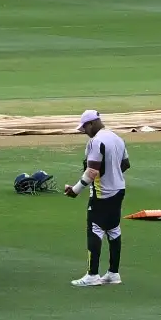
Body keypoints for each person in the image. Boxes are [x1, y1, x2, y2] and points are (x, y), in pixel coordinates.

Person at [66, 110, 129, 287]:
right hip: (119, 190)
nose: (84, 132)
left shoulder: (96, 141)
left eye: (85, 128)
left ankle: (92, 275)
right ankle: (113, 273)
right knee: (114, 230)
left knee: (95, 228)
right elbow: (125, 164)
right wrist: (111, 174)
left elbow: (92, 171)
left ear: (91, 124)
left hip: (102, 194)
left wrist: (75, 190)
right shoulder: (117, 138)